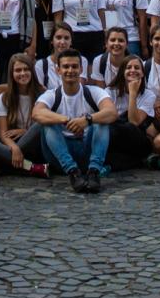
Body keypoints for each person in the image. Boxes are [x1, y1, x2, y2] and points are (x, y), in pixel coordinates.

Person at [32, 49, 117, 193]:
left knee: (102, 121)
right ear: (58, 70)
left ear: (81, 69)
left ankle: (94, 172)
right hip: (60, 155)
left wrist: (87, 120)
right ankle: (72, 172)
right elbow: (36, 113)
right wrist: (65, 120)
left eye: (74, 66)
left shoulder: (93, 92)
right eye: (66, 66)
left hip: (87, 152)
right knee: (48, 124)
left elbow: (112, 112)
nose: (70, 70)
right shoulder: (51, 95)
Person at [0, 52, 49, 177]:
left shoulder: (43, 95)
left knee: (40, 126)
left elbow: (45, 124)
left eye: (26, 69)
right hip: (13, 144)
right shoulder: (4, 97)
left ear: (32, 71)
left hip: (35, 145)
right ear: (12, 74)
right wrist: (15, 149)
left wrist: (25, 131)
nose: (22, 73)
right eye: (18, 70)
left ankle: (8, 165)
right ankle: (31, 167)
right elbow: (4, 134)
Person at [108, 53, 155, 168]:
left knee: (127, 127)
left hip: (137, 137)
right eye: (128, 67)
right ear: (122, 72)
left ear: (143, 73)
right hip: (116, 137)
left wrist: (133, 93)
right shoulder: (109, 91)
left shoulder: (149, 95)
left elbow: (134, 122)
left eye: (137, 68)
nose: (133, 70)